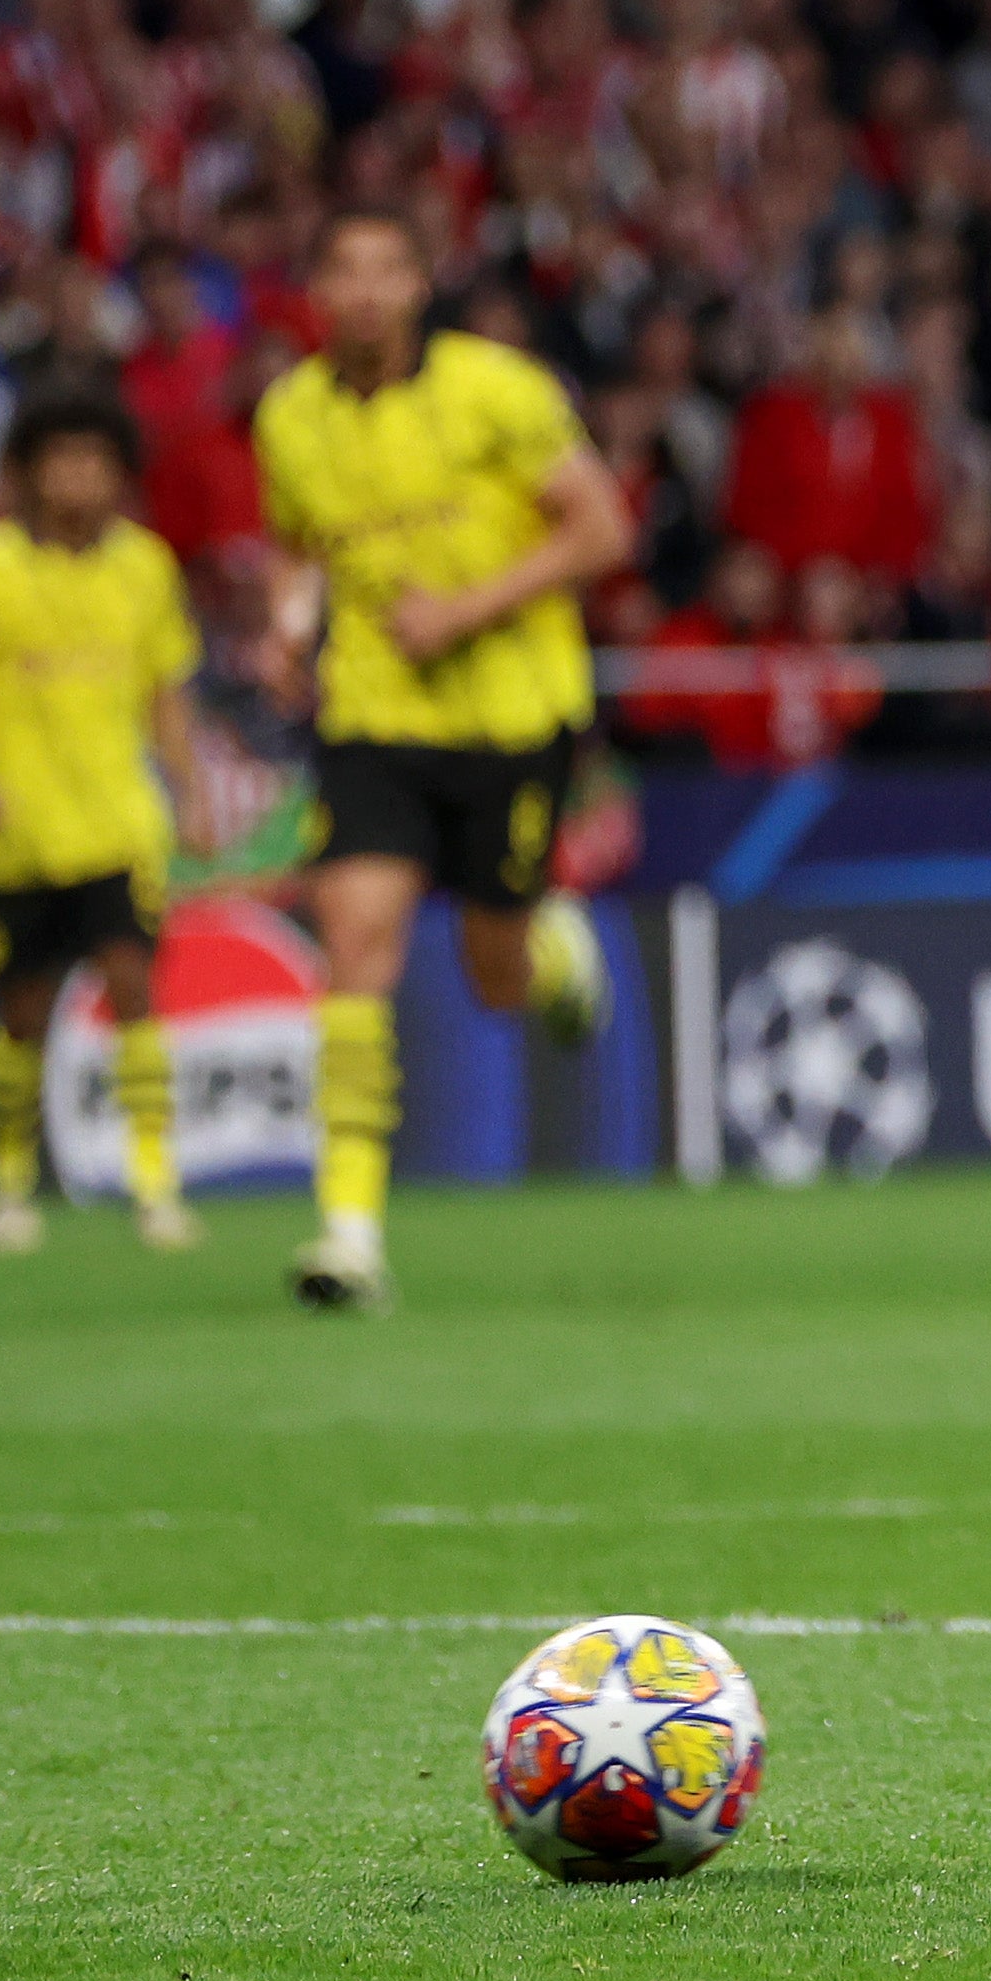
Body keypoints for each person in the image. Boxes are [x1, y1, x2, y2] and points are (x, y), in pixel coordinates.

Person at [252, 208, 633, 1312]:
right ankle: (349, 1232)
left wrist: (465, 610)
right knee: (356, 941)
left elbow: (600, 529)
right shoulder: (289, 416)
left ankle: (559, 956)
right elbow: (295, 548)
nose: (365, 292)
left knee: (494, 973)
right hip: (374, 721)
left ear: (421, 285)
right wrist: (286, 626)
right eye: (343, 269)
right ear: (316, 290)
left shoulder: (499, 391)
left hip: (514, 718)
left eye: (387, 270)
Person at [0, 388, 221, 1255]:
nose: (79, 477)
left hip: (119, 824)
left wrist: (192, 788)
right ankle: (7, 1179)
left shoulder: (146, 567)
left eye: (95, 461)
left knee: (132, 986)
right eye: (61, 460)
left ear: (118, 475)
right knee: (23, 1012)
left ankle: (155, 1184)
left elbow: (168, 692)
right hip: (19, 829)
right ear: (30, 473)